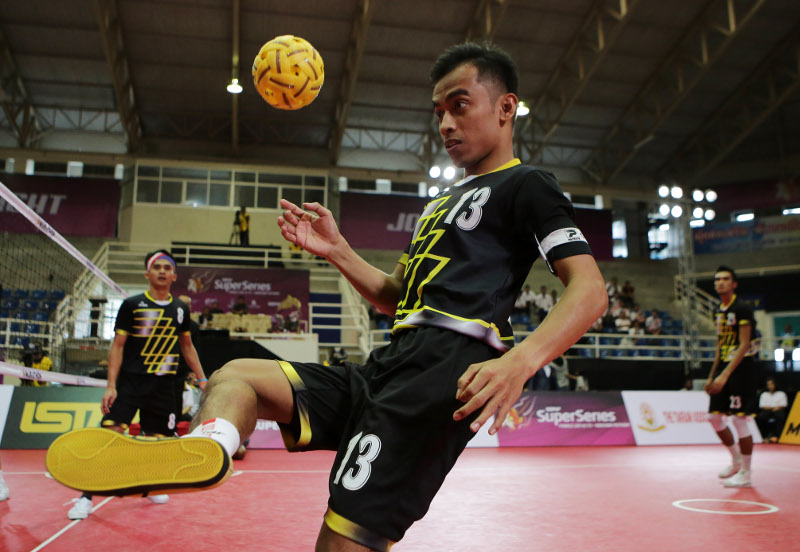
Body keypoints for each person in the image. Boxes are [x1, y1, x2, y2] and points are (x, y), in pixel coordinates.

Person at [47, 42, 607, 551]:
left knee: (343, 542)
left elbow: (590, 290)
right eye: (438, 111)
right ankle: (212, 447)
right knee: (237, 375)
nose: (445, 123)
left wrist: (519, 361)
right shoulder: (438, 205)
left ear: (506, 108)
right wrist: (338, 250)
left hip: (444, 374)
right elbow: (398, 299)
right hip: (390, 361)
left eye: (460, 105)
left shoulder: (526, 184)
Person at [62, 250, 209, 520]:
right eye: (157, 267)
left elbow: (187, 347)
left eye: (167, 268)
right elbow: (117, 346)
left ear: (174, 276)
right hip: (130, 384)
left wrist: (202, 379)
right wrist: (110, 386)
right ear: (147, 274)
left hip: (163, 388)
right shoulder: (131, 304)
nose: (162, 271)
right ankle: (85, 497)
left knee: (156, 444)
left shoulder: (181, 309)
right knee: (108, 436)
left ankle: (147, 486)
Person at [704, 265, 758, 488]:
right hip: (723, 368)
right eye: (717, 279)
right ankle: (735, 459)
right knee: (713, 418)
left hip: (742, 369)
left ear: (734, 284)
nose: (720, 283)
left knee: (738, 419)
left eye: (725, 279)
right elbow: (720, 344)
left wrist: (725, 375)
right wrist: (712, 375)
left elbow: (744, 344)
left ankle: (746, 472)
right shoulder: (718, 310)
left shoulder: (742, 309)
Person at [756, 377, 788, 443]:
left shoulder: (781, 393)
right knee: (760, 417)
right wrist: (771, 408)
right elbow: (762, 406)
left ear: (775, 384)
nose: (770, 386)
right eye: (769, 384)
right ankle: (763, 436)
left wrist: (775, 408)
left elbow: (784, 405)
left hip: (778, 411)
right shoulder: (764, 394)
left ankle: (778, 436)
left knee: (781, 416)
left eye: (772, 384)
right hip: (767, 411)